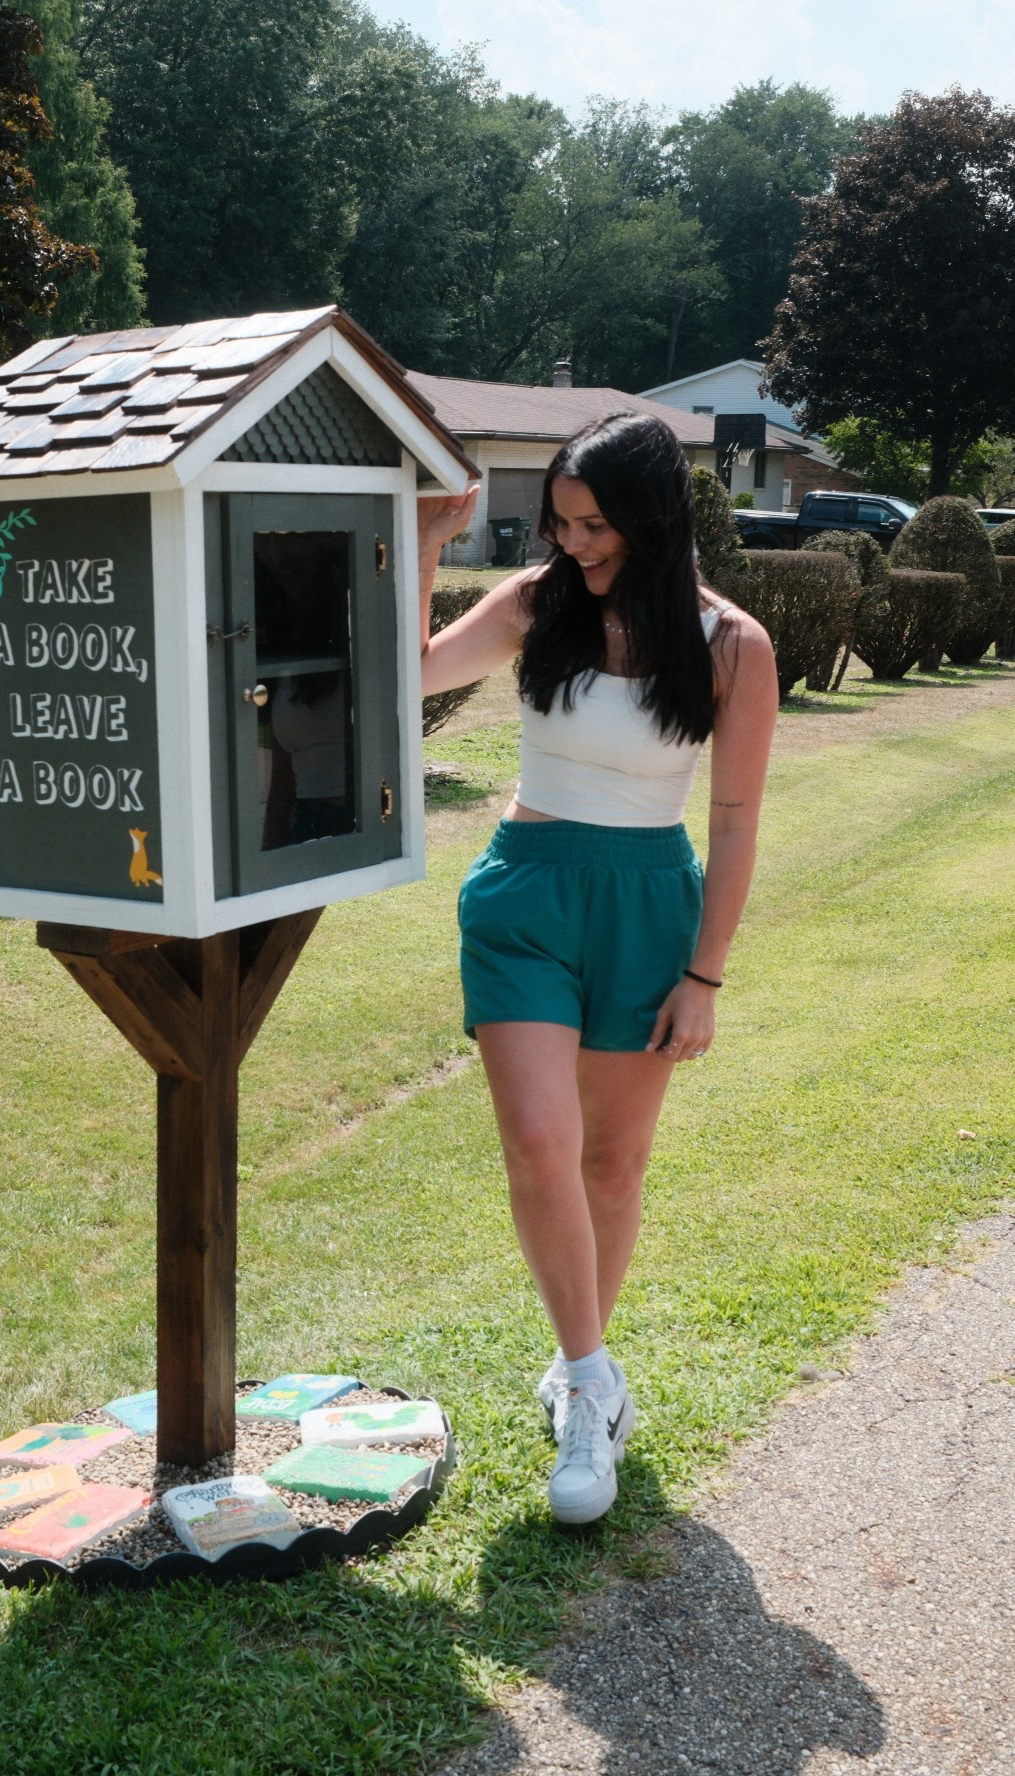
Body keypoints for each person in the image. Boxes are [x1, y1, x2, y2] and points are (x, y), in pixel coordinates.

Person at [418, 414, 778, 1525]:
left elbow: (734, 819)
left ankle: (581, 1366)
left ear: (652, 516)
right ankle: (590, 1380)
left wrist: (703, 976)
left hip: (645, 907)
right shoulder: (538, 602)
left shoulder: (730, 645)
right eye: (560, 523)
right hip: (524, 890)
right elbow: (414, 673)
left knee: (612, 1163)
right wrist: (431, 540)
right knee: (539, 1141)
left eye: (594, 524)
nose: (573, 543)